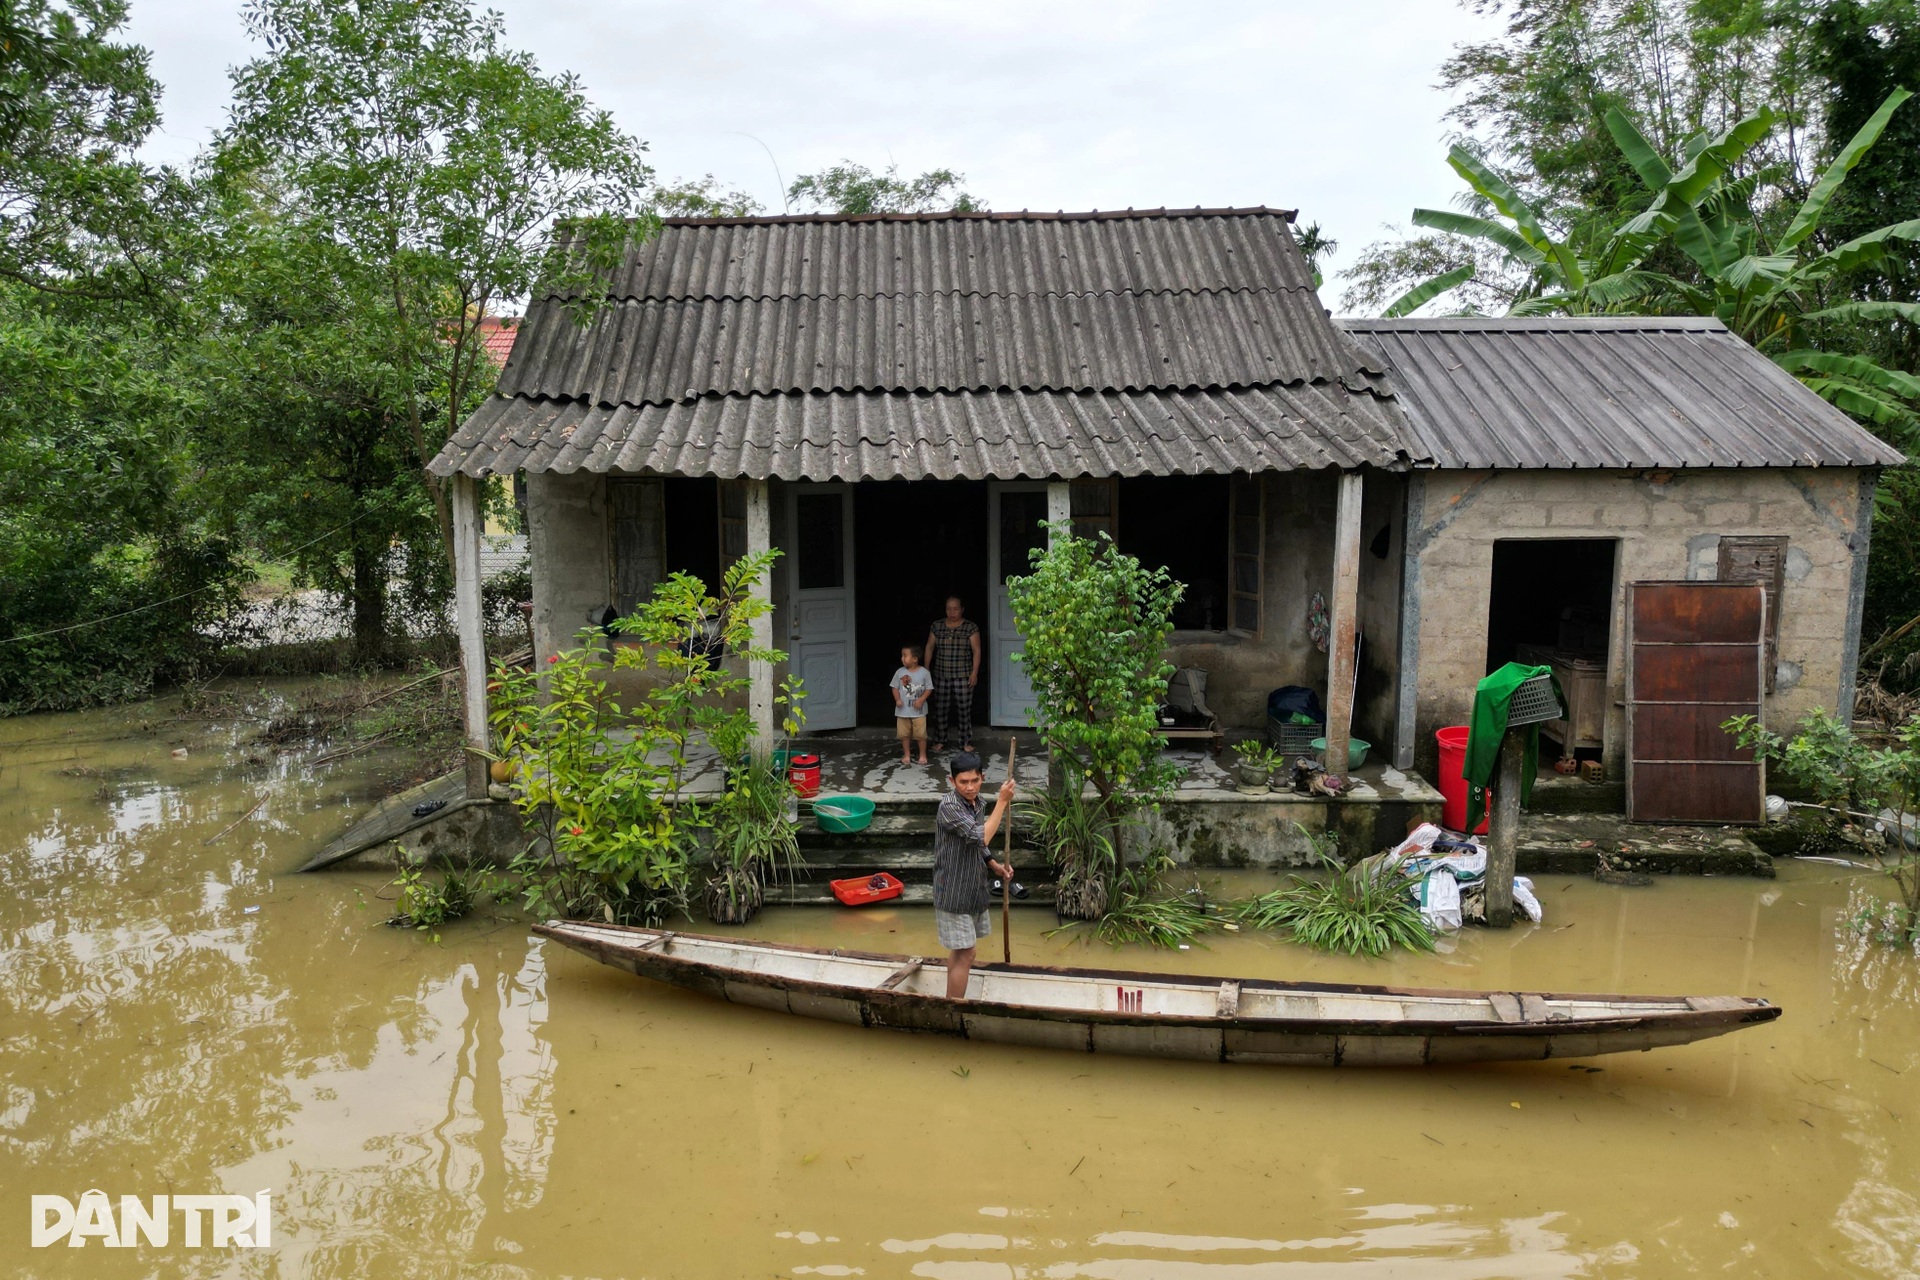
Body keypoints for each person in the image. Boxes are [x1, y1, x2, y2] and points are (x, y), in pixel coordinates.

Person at [933, 751, 1016, 1000]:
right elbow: (981, 835)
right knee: (967, 952)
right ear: (951, 781)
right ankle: (954, 1007)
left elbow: (978, 844)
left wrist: (993, 863)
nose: (969, 787)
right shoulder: (949, 807)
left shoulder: (977, 803)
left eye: (974, 781)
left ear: (982, 778)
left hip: (973, 885)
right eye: (963, 782)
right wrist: (1002, 802)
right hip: (953, 890)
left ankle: (951, 1000)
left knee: (961, 952)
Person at [924, 596, 981, 754]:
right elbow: (929, 647)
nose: (952, 612)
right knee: (940, 709)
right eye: (949, 608)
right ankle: (940, 740)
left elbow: (976, 651)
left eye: (955, 608)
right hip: (941, 674)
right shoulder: (937, 626)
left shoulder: (970, 627)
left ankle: (965, 741)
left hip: (963, 675)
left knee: (964, 710)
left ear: (962, 609)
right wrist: (926, 668)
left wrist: (974, 673)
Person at [890, 645, 933, 765]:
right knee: (904, 735)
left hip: (919, 712)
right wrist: (897, 699)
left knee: (920, 735)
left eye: (905, 655)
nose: (902, 658)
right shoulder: (900, 672)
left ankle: (922, 755)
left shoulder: (924, 673)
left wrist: (921, 700)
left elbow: (929, 688)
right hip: (903, 711)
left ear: (915, 658)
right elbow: (894, 687)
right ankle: (907, 755)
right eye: (902, 655)